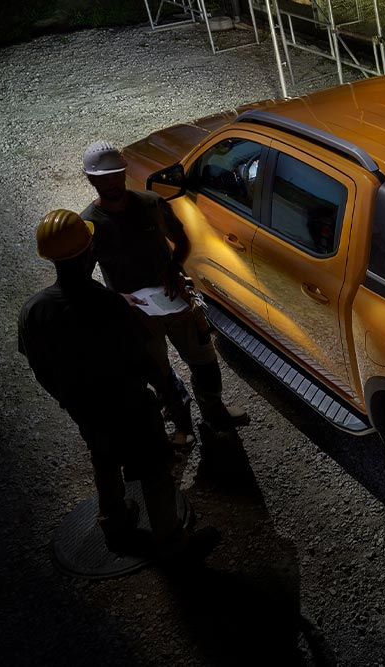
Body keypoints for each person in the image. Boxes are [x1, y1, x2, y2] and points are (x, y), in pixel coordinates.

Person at [18, 209, 219, 561]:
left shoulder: (34, 310)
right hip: (129, 406)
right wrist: (172, 399)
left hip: (85, 408)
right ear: (89, 252)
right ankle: (172, 542)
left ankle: (113, 522)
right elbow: (146, 360)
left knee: (104, 458)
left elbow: (39, 366)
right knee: (157, 467)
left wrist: (69, 399)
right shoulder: (108, 305)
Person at [80, 140, 247, 448]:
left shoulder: (151, 204)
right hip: (136, 312)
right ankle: (182, 425)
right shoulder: (89, 225)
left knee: (205, 361)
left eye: (117, 174)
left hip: (174, 298)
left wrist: (173, 268)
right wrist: (117, 299)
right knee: (158, 373)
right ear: (90, 179)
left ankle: (215, 411)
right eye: (104, 177)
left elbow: (181, 240)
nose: (113, 182)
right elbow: (80, 277)